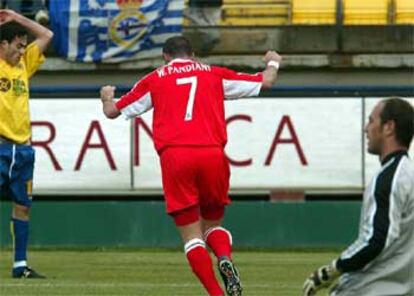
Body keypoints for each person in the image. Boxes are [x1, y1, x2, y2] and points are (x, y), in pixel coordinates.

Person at [100, 36, 281, 296]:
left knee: (191, 236)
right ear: (193, 55)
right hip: (212, 154)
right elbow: (266, 81)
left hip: (176, 156)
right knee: (213, 225)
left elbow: (112, 112)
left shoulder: (155, 78)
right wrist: (273, 61)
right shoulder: (214, 74)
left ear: (165, 57)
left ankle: (217, 294)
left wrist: (106, 97)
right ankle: (224, 256)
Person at [303, 98, 414, 296]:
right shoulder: (408, 173)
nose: (366, 129)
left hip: (368, 288)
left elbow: (376, 240)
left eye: (371, 121)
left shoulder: (389, 179)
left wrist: (331, 270)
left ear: (389, 127)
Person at [0, 9, 53, 278]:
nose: (22, 51)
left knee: (23, 206)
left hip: (22, 149)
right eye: (17, 46)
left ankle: (20, 265)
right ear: (3, 45)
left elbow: (46, 34)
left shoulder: (24, 65)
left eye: (24, 46)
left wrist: (16, 18)